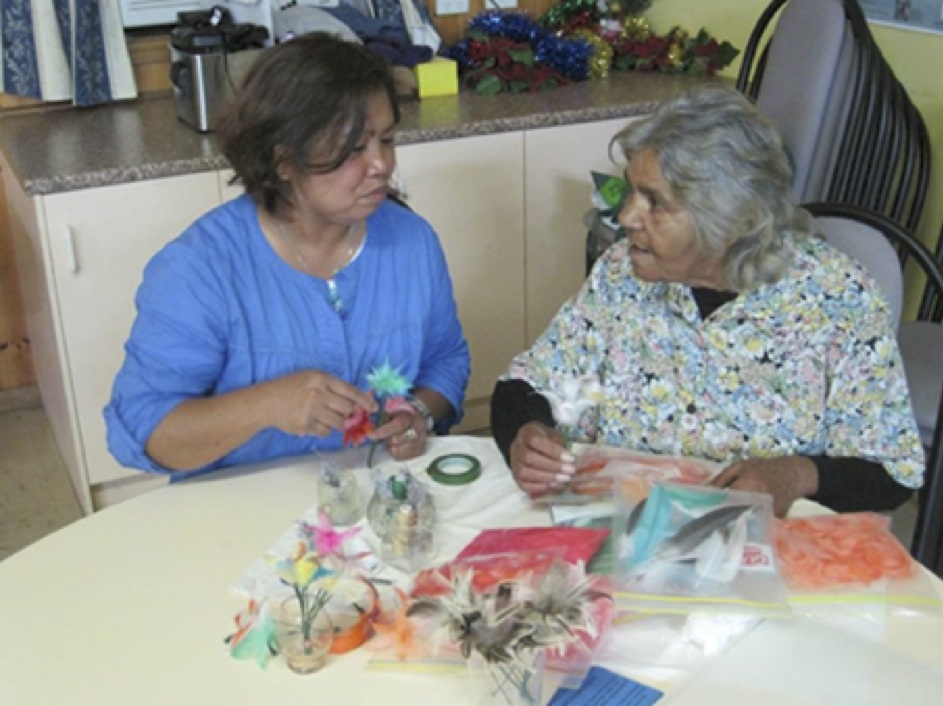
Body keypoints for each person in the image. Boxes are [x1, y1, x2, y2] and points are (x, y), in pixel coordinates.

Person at [491, 83, 923, 517]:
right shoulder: (621, 273)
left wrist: (795, 475)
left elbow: (890, 475)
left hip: (766, 556)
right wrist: (528, 432)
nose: (626, 217)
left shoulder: (840, 299)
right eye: (631, 191)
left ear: (728, 222)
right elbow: (529, 383)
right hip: (624, 532)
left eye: (654, 202)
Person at [105, 33, 469, 477]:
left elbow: (446, 361)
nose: (382, 165)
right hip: (239, 505)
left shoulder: (411, 241)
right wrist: (265, 405)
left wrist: (418, 413)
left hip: (377, 495)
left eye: (387, 140)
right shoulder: (199, 270)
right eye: (355, 148)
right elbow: (143, 432)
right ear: (284, 160)